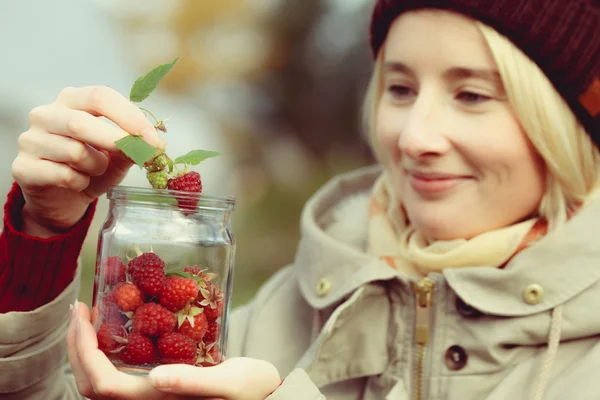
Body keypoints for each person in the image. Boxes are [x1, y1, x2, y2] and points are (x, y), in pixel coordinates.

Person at [1, 0, 599, 398]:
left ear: (567, 123)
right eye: (399, 87)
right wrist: (46, 232)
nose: (415, 136)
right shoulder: (289, 308)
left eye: (471, 95)